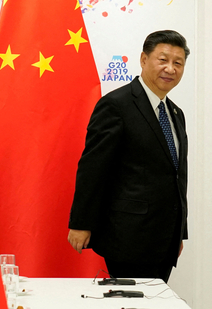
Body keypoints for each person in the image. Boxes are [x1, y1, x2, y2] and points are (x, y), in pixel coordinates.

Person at [67, 30, 189, 283]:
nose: (170, 68)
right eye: (163, 59)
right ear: (144, 60)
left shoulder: (176, 113)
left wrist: (179, 232)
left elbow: (177, 176)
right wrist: (81, 223)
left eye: (178, 63)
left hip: (165, 239)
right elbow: (93, 168)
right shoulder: (116, 105)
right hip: (128, 235)